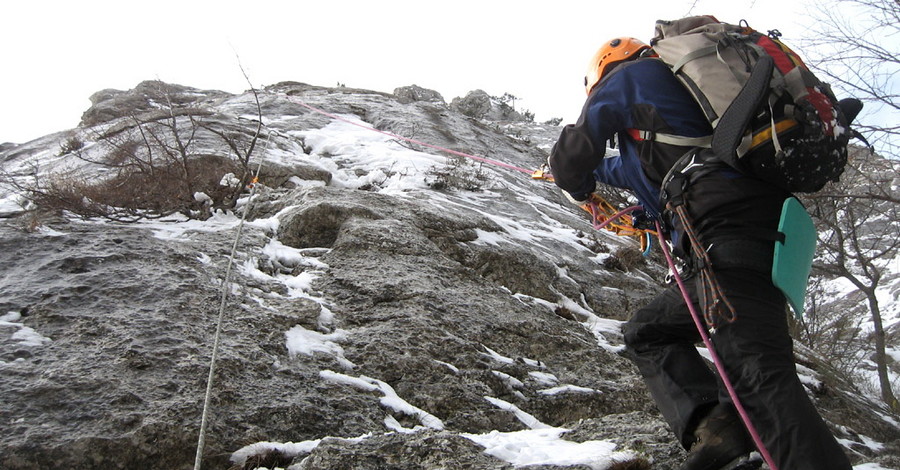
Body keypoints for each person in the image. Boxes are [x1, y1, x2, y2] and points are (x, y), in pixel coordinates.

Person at [548, 37, 853, 470]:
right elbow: (622, 168)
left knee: (759, 377)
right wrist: (592, 177)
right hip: (758, 232)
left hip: (725, 236)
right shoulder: (678, 115)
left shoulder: (632, 77)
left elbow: (573, 157)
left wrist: (575, 185)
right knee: (648, 332)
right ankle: (718, 426)